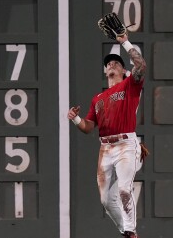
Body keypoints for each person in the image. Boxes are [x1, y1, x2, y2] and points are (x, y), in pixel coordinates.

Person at [67, 32, 146, 238]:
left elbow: (141, 66)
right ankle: (126, 231)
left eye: (116, 63)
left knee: (123, 190)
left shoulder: (129, 86)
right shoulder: (98, 98)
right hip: (106, 148)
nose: (112, 64)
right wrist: (75, 119)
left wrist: (125, 43)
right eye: (109, 63)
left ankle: (130, 230)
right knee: (105, 200)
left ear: (123, 69)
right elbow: (88, 127)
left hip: (126, 145)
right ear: (105, 70)